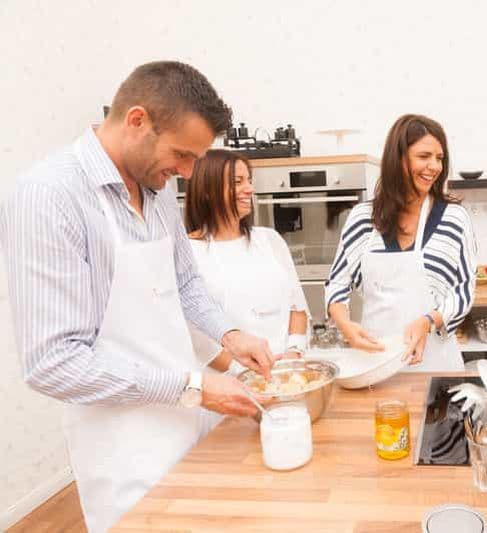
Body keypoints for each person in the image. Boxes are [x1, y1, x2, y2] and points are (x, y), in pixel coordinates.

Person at [0, 61, 280, 532]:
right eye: (183, 154)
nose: (190, 172)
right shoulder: (49, 196)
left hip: (187, 423)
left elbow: (185, 285)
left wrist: (231, 335)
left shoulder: (155, 190)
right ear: (136, 120)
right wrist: (193, 387)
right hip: (122, 447)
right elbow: (53, 362)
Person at [325, 114, 477, 371]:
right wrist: (345, 325)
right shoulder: (362, 218)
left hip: (435, 362)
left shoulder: (454, 218)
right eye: (424, 156)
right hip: (376, 362)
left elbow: (463, 292)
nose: (434, 166)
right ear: (399, 158)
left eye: (439, 158)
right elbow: (337, 283)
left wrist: (428, 321)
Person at [183, 149, 308, 430]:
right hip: (227, 392)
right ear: (207, 190)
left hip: (286, 381)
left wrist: (293, 356)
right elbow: (195, 337)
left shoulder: (270, 240)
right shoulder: (189, 252)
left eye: (248, 180)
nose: (249, 189)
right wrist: (245, 374)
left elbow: (298, 309)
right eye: (238, 182)